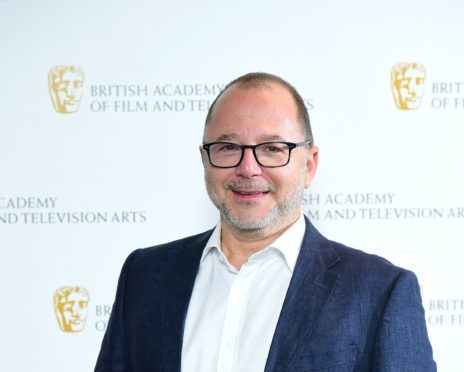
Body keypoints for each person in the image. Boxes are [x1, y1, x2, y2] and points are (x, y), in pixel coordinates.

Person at [95, 72, 436, 372]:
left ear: (309, 165)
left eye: (272, 148)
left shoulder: (379, 291)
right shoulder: (144, 276)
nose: (248, 168)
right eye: (228, 147)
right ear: (205, 159)